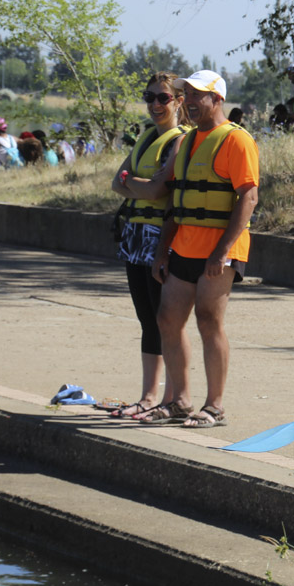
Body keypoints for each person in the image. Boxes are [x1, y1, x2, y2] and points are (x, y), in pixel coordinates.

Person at [123, 69, 259, 429]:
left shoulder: (236, 140)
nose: (192, 101)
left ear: (217, 99)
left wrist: (223, 251)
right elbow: (174, 202)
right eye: (188, 94)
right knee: (167, 318)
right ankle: (179, 401)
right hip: (183, 244)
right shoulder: (185, 142)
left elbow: (249, 197)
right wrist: (162, 250)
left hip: (220, 249)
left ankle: (214, 407)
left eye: (199, 95)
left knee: (208, 321)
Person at [109, 71, 191, 420]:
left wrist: (135, 183)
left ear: (178, 101)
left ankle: (172, 398)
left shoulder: (181, 140)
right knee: (146, 318)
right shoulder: (145, 138)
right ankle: (147, 396)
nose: (155, 104)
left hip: (162, 237)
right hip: (135, 236)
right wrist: (139, 183)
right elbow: (117, 182)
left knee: (166, 318)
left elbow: (161, 191)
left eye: (163, 98)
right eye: (149, 97)